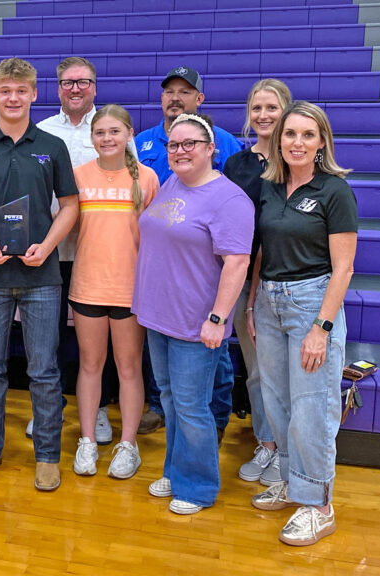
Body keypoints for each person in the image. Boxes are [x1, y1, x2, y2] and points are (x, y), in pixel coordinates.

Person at [0, 57, 79, 491]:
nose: (13, 97)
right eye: (5, 90)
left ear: (33, 94)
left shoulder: (52, 145)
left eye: (21, 90)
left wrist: (48, 246)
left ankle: (47, 455)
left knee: (44, 370)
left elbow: (70, 205)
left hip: (41, 275)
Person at [132, 113, 253, 514]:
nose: (180, 151)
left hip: (195, 323)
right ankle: (177, 468)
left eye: (190, 144)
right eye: (174, 145)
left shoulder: (230, 199)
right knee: (169, 400)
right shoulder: (171, 183)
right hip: (157, 315)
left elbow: (237, 264)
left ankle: (198, 487)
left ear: (210, 148)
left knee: (192, 406)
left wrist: (218, 319)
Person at [249, 101, 357, 546]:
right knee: (277, 402)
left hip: (312, 301)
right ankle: (295, 483)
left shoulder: (334, 191)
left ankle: (319, 504)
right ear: (278, 139)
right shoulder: (269, 186)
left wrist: (322, 327)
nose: (297, 142)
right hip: (269, 303)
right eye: (290, 134)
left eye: (307, 135)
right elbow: (261, 249)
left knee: (313, 406)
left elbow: (345, 268)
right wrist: (254, 299)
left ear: (321, 143)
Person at [134, 66, 243, 439]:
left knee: (198, 395)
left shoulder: (226, 148)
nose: (175, 97)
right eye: (169, 91)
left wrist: (218, 315)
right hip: (163, 299)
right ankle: (178, 455)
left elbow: (234, 241)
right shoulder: (150, 152)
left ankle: (214, 432)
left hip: (201, 301)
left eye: (185, 91)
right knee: (172, 393)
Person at [35, 56, 121, 445]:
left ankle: (99, 407)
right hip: (50, 249)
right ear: (57, 89)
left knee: (97, 341)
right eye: (68, 83)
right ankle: (48, 409)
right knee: (47, 334)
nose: (75, 88)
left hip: (96, 251)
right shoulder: (41, 130)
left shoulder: (109, 128)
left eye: (83, 82)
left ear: (95, 87)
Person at [69, 105, 159, 478]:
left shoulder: (148, 178)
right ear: (91, 138)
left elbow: (157, 239)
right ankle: (87, 441)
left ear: (128, 135)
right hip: (87, 285)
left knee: (128, 368)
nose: (107, 139)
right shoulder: (77, 176)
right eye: (100, 132)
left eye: (114, 132)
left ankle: (129, 445)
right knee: (90, 366)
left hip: (130, 290)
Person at [223, 79, 292, 486]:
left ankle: (289, 450)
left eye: (271, 107)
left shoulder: (297, 158)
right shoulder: (237, 165)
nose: (264, 115)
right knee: (255, 371)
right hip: (244, 279)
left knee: (284, 372)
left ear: (285, 109)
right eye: (257, 108)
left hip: (286, 280)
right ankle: (266, 444)